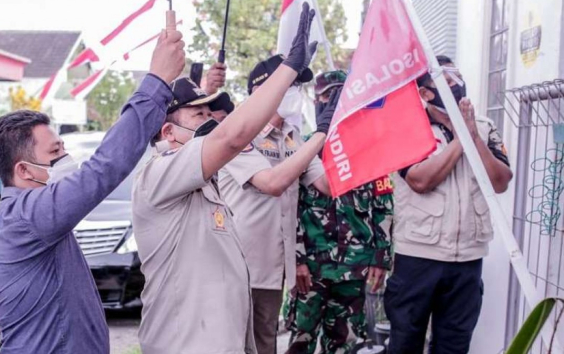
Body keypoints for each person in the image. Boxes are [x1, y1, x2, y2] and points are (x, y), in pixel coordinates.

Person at [132, 3, 326, 354]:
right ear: (168, 131)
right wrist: (289, 69)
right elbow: (233, 138)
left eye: (212, 111)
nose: (211, 119)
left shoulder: (205, 181)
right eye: (199, 114)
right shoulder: (160, 173)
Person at [0, 28, 185, 354]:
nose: (67, 161)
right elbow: (104, 168)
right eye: (55, 154)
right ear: (23, 170)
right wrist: (157, 81)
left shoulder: (35, 219)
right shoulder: (27, 216)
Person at [386, 55, 513, 354]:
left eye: (456, 76)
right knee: (405, 344)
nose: (456, 84)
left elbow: (501, 180)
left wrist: (474, 136)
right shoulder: (407, 128)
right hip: (418, 258)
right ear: (426, 93)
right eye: (446, 80)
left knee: (454, 346)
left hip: (467, 261)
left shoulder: (483, 126)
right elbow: (419, 180)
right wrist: (462, 139)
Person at [216, 55, 334, 354]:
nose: (295, 92)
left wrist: (339, 133)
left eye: (297, 86)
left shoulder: (293, 137)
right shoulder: (239, 132)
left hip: (271, 267)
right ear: (262, 89)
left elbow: (328, 185)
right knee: (229, 344)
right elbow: (271, 183)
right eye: (290, 83)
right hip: (237, 264)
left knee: (265, 342)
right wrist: (319, 135)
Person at [284, 68, 393, 354]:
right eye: (328, 96)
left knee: (345, 346)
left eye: (340, 96)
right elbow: (289, 207)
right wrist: (295, 259)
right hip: (310, 267)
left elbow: (382, 206)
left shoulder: (371, 150)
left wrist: (381, 257)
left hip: (354, 267)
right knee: (300, 343)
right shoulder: (304, 147)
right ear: (317, 100)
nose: (333, 102)